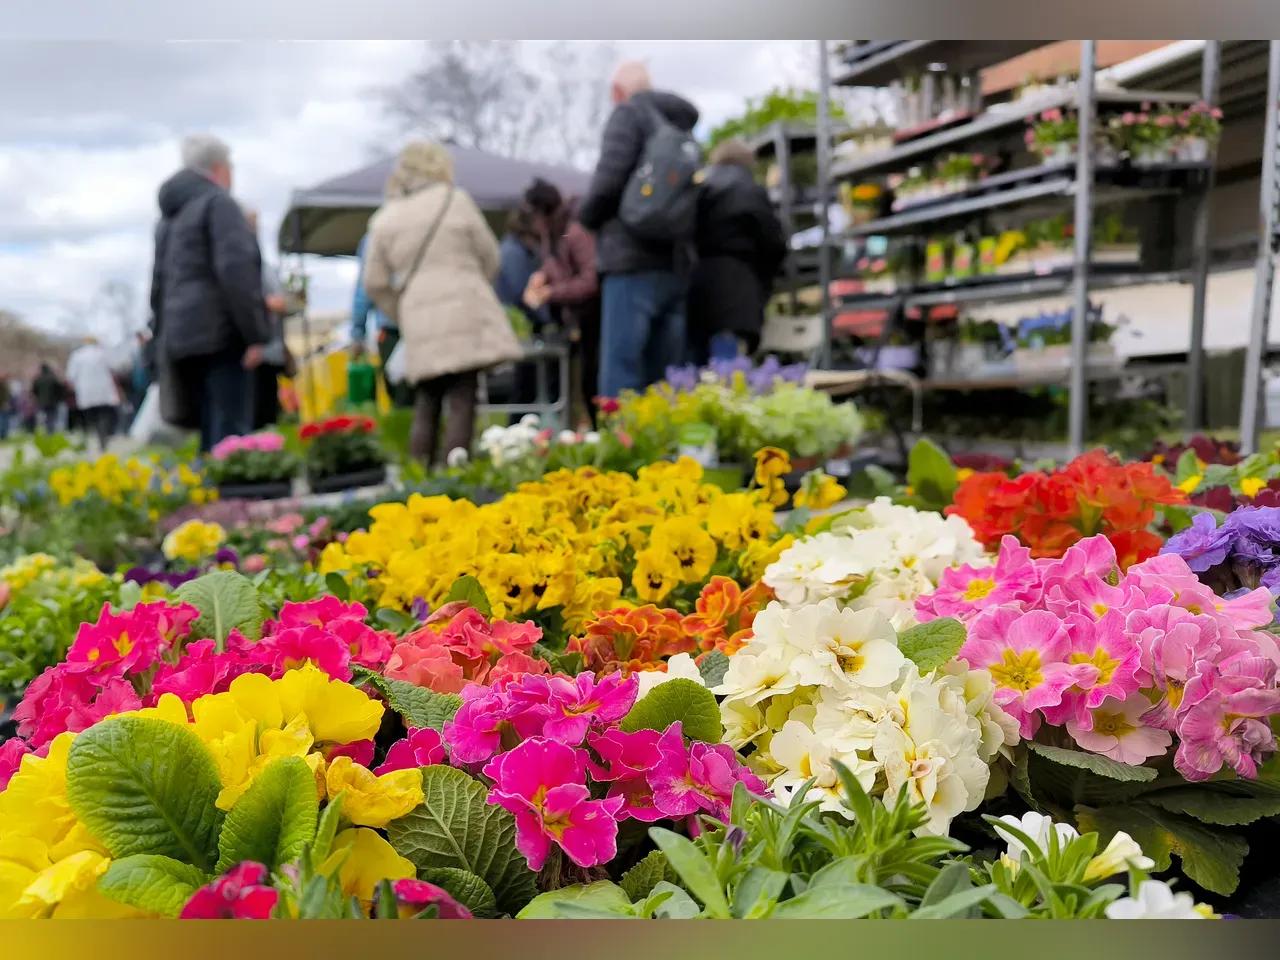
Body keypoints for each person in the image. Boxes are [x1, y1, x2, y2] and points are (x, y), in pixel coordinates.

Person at [362, 141, 522, 466]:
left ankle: (418, 478)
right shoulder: (456, 201)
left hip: (418, 317)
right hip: (464, 309)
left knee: (427, 399)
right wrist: (471, 285)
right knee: (463, 395)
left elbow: (374, 282)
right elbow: (491, 257)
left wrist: (402, 311)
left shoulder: (385, 219)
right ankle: (457, 477)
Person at [578, 61, 699, 397]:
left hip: (630, 262)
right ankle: (669, 434)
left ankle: (622, 433)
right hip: (675, 263)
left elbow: (607, 184)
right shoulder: (679, 124)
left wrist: (585, 219)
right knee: (666, 380)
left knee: (621, 374)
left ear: (617, 92)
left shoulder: (627, 115)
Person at [150, 134, 271, 451]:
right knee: (231, 434)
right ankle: (227, 483)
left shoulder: (170, 217)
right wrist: (255, 335)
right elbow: (237, 273)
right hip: (222, 335)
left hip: (181, 338)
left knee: (209, 428)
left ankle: (207, 482)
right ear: (219, 168)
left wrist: (160, 340)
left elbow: (158, 284)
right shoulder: (219, 204)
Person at [688, 139, 788, 364]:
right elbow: (774, 242)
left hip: (696, 282)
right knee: (728, 367)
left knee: (696, 367)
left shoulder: (699, 185)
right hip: (737, 285)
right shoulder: (749, 189)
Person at [523, 178, 601, 425]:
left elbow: (590, 280)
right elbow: (554, 263)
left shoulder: (574, 231)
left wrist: (551, 292)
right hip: (571, 321)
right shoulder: (553, 233)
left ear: (542, 211)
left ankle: (596, 428)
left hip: (593, 319)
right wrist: (541, 276)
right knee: (572, 384)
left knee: (591, 383)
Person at [241, 206, 290, 429]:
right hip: (256, 354)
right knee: (258, 420)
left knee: (262, 418)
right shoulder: (250, 265)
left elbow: (280, 302)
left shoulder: (260, 266)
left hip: (265, 354)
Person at [351, 233, 409, 406]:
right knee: (431, 396)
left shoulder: (376, 236)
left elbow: (366, 288)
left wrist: (358, 333)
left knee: (402, 398)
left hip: (392, 329)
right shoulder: (428, 227)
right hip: (426, 325)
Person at [64, 336, 121, 453]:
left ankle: (91, 441)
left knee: (90, 418)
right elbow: (114, 368)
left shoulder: (77, 355)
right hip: (103, 390)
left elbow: (70, 376)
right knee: (103, 416)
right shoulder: (102, 353)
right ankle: (102, 439)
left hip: (85, 391)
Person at [32, 362, 64, 433]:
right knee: (51, 417)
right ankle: (50, 431)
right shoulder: (53, 378)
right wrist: (58, 398)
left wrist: (38, 398)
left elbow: (34, 390)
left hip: (41, 402)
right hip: (53, 402)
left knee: (41, 417)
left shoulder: (38, 379)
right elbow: (60, 389)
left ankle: (41, 430)